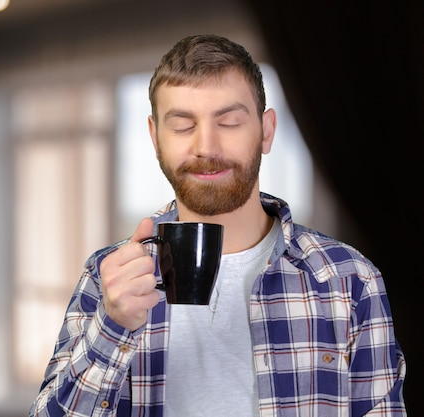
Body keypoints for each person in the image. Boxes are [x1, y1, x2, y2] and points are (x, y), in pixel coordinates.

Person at [29, 34, 406, 417]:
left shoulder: (350, 279)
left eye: (228, 122)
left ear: (266, 131)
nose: (206, 146)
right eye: (182, 125)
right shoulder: (106, 277)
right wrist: (112, 327)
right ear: (154, 137)